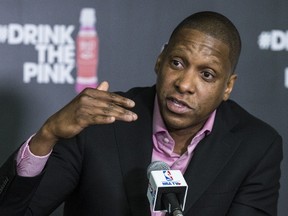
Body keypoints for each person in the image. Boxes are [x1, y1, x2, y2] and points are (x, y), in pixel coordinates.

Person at [0, 11, 283, 216]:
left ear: (227, 87)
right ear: (160, 60)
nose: (184, 84)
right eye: (177, 62)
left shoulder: (256, 146)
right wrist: (47, 135)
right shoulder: (99, 122)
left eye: (207, 74)